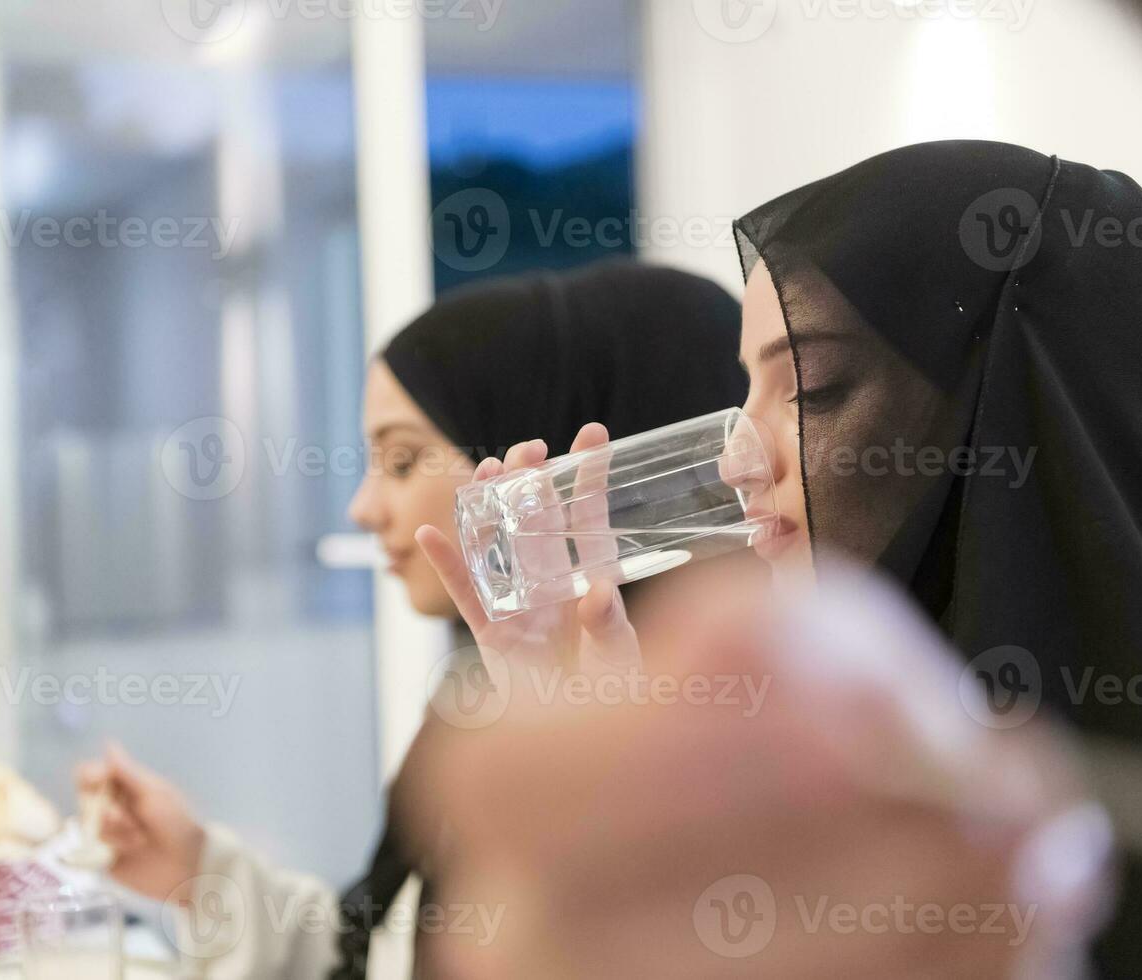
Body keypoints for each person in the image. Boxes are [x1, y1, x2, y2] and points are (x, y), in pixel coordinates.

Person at [414, 140, 1142, 976]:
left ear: (1021, 419)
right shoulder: (818, 843)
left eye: (813, 387)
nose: (731, 458)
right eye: (743, 391)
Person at [74, 260, 751, 980]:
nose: (363, 509)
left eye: (401, 460)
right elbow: (380, 955)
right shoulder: (477, 700)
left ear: (537, 455)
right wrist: (198, 870)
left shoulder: (734, 755)